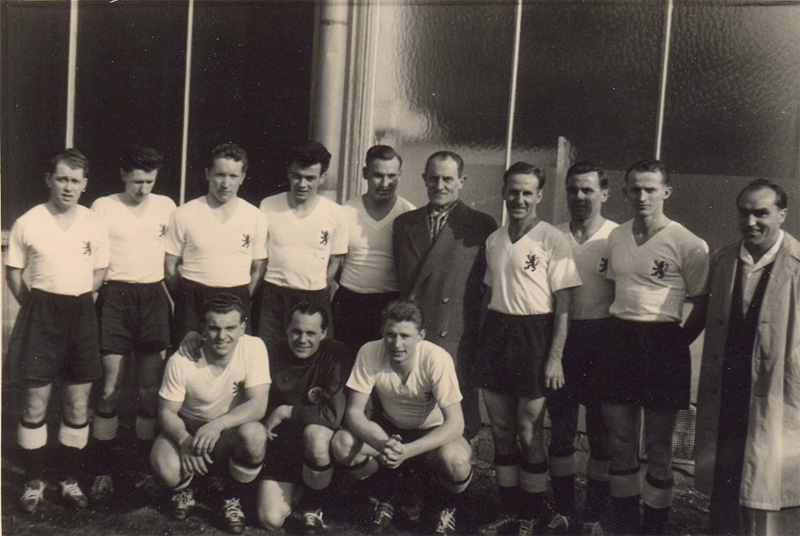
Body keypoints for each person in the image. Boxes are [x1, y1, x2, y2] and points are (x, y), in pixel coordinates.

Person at [600, 159, 709, 535]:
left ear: (666, 192)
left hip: (663, 343)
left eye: (650, 189)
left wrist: (675, 345)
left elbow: (702, 304)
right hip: (620, 340)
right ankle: (625, 526)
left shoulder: (688, 243)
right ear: (625, 192)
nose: (642, 196)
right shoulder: (617, 236)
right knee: (620, 443)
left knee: (660, 447)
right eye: (635, 189)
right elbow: (615, 288)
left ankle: (653, 529)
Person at [474, 163, 582, 536]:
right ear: (504, 193)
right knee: (501, 430)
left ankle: (533, 513)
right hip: (497, 333)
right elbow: (489, 293)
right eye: (513, 191)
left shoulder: (552, 239)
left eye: (526, 193)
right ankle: (509, 510)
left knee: (527, 430)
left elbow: (565, 303)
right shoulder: (494, 239)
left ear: (539, 195)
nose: (518, 199)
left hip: (535, 335)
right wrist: (482, 342)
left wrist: (555, 356)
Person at [6, 149, 109, 512]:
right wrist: (37, 307)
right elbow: (14, 273)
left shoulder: (94, 223)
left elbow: (100, 271)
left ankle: (69, 480)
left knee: (77, 403)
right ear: (49, 180)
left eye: (75, 181)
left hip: (81, 312)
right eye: (62, 179)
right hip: (40, 311)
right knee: (35, 402)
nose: (68, 187)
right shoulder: (28, 222)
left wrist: (79, 299)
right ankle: (34, 483)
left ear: (85, 185)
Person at [695, 179, 800, 536]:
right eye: (744, 213)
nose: (751, 222)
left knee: (769, 482)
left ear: (782, 215)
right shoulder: (723, 260)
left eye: (762, 213)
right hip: (727, 391)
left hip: (776, 392)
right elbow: (703, 313)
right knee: (726, 479)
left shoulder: (797, 264)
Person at [332, 300, 473, 536]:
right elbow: (354, 412)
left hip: (431, 434)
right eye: (391, 335)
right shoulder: (369, 351)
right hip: (391, 432)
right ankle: (385, 493)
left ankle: (444, 506)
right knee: (342, 443)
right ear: (382, 332)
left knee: (456, 460)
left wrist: (408, 451)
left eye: (405, 336)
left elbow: (456, 424)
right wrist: (382, 444)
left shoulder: (436, 358)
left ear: (421, 336)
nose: (397, 344)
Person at [89, 145, 176, 501]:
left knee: (149, 391)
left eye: (149, 182)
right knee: (109, 389)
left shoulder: (166, 206)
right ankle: (101, 471)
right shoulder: (103, 206)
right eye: (137, 181)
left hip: (153, 296)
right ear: (123, 175)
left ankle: (144, 469)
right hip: (115, 296)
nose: (143, 189)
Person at [392, 150, 497, 439]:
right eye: (434, 178)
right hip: (411, 335)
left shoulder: (482, 225)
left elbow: (484, 290)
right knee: (411, 417)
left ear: (462, 181)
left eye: (448, 179)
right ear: (424, 179)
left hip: (453, 337)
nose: (440, 185)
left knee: (455, 428)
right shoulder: (404, 224)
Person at [150, 294, 270, 534]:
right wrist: (184, 441)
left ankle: (231, 496)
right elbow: (166, 413)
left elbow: (258, 405)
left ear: (242, 328)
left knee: (255, 435)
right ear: (202, 328)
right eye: (214, 328)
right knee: (165, 466)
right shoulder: (181, 360)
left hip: (228, 430)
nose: (222, 336)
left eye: (230, 328)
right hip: (191, 428)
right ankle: (187, 489)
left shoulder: (254, 347)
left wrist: (218, 424)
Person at [546, 162, 618, 535]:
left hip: (603, 340)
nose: (579, 196)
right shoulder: (554, 235)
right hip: (562, 338)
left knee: (601, 434)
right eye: (573, 189)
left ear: (604, 193)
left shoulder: (617, 237)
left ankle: (593, 516)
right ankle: (564, 511)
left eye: (588, 189)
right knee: (561, 430)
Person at [256, 302, 352, 534]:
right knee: (270, 520)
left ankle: (313, 504)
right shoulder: (270, 352)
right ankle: (298, 490)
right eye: (296, 331)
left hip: (315, 438)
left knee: (316, 435)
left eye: (311, 333)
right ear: (286, 329)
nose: (302, 339)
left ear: (324, 333)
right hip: (282, 444)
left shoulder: (336, 353)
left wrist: (287, 411)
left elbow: (333, 414)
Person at [165, 143, 267, 346]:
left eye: (233, 176)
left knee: (235, 359)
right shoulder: (184, 213)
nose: (225, 184)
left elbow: (258, 269)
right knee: (188, 357)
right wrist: (187, 297)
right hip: (193, 298)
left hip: (236, 297)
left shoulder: (255, 217)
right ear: (207, 174)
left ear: (243, 177)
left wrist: (241, 297)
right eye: (220, 175)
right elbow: (169, 268)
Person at [258, 140, 348, 347]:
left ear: (322, 177)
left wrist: (318, 288)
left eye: (310, 178)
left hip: (314, 296)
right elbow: (260, 258)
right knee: (269, 354)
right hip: (274, 295)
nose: (302, 184)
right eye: (297, 176)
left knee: (315, 354)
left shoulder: (335, 213)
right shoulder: (268, 206)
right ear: (288, 173)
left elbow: (335, 261)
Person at [332, 145, 416, 355]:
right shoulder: (345, 212)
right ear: (365, 173)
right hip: (349, 303)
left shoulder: (409, 214)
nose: (385, 184)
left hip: (390, 304)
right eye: (377, 175)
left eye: (391, 176)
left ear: (400, 175)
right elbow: (334, 262)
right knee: (346, 363)